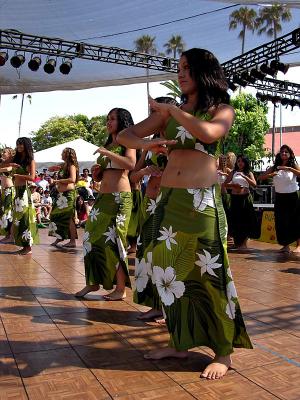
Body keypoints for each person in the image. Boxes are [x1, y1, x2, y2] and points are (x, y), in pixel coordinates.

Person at [117, 48, 252, 379]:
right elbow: (125, 135)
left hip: (202, 202)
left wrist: (172, 112)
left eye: (187, 68)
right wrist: (147, 144)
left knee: (210, 275)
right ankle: (180, 342)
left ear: (204, 72)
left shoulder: (221, 110)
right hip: (169, 201)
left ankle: (223, 354)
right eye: (179, 68)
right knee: (169, 272)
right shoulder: (171, 113)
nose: (181, 74)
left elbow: (208, 134)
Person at [75, 108, 136, 301]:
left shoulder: (127, 140)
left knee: (115, 243)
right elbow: (105, 172)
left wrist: (107, 154)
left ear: (122, 121)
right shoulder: (108, 143)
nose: (108, 122)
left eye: (113, 119)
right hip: (103, 198)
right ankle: (92, 282)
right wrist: (97, 173)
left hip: (120, 198)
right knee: (90, 238)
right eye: (107, 119)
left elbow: (130, 163)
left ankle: (120, 289)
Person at [129, 97, 178, 322]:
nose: (151, 117)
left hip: (169, 205)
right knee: (147, 256)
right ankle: (155, 305)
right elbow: (133, 176)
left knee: (166, 257)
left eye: (155, 112)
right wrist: (146, 170)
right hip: (149, 204)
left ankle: (171, 307)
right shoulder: (147, 144)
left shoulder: (178, 140)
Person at [259, 144, 300, 253]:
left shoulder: (294, 165)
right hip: (280, 197)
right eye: (282, 152)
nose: (284, 153)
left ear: (290, 154)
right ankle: (285, 245)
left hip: (292, 196)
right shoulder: (275, 167)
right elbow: (261, 177)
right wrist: (271, 174)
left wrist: (289, 168)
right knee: (281, 222)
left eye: (286, 152)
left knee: (295, 220)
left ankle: (299, 245)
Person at [224, 155, 259, 249]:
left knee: (246, 220)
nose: (240, 163)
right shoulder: (233, 172)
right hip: (235, 198)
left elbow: (254, 185)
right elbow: (225, 184)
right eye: (238, 161)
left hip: (245, 198)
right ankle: (236, 242)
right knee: (235, 220)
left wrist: (245, 177)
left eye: (242, 161)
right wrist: (233, 185)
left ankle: (244, 243)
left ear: (245, 163)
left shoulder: (248, 173)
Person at [11, 137, 39, 255]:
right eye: (18, 144)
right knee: (18, 219)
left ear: (26, 146)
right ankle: (23, 245)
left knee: (25, 218)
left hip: (23, 192)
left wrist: (18, 175)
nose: (19, 147)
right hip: (17, 191)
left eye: (21, 145)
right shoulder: (17, 159)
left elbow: (32, 178)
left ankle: (28, 247)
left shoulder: (30, 160)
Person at [48, 147, 79, 248]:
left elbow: (72, 179)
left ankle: (73, 241)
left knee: (68, 217)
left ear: (68, 154)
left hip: (69, 195)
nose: (61, 154)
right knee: (56, 215)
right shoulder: (63, 165)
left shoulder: (72, 166)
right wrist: (53, 168)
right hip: (61, 195)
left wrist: (57, 182)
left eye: (63, 152)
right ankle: (60, 237)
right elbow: (50, 169)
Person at [0, 147, 15, 243]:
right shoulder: (1, 163)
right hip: (4, 191)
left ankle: (11, 236)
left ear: (10, 154)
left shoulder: (12, 163)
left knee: (9, 213)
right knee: (4, 213)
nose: (2, 153)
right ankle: (7, 235)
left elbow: (9, 169)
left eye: (4, 152)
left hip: (10, 190)